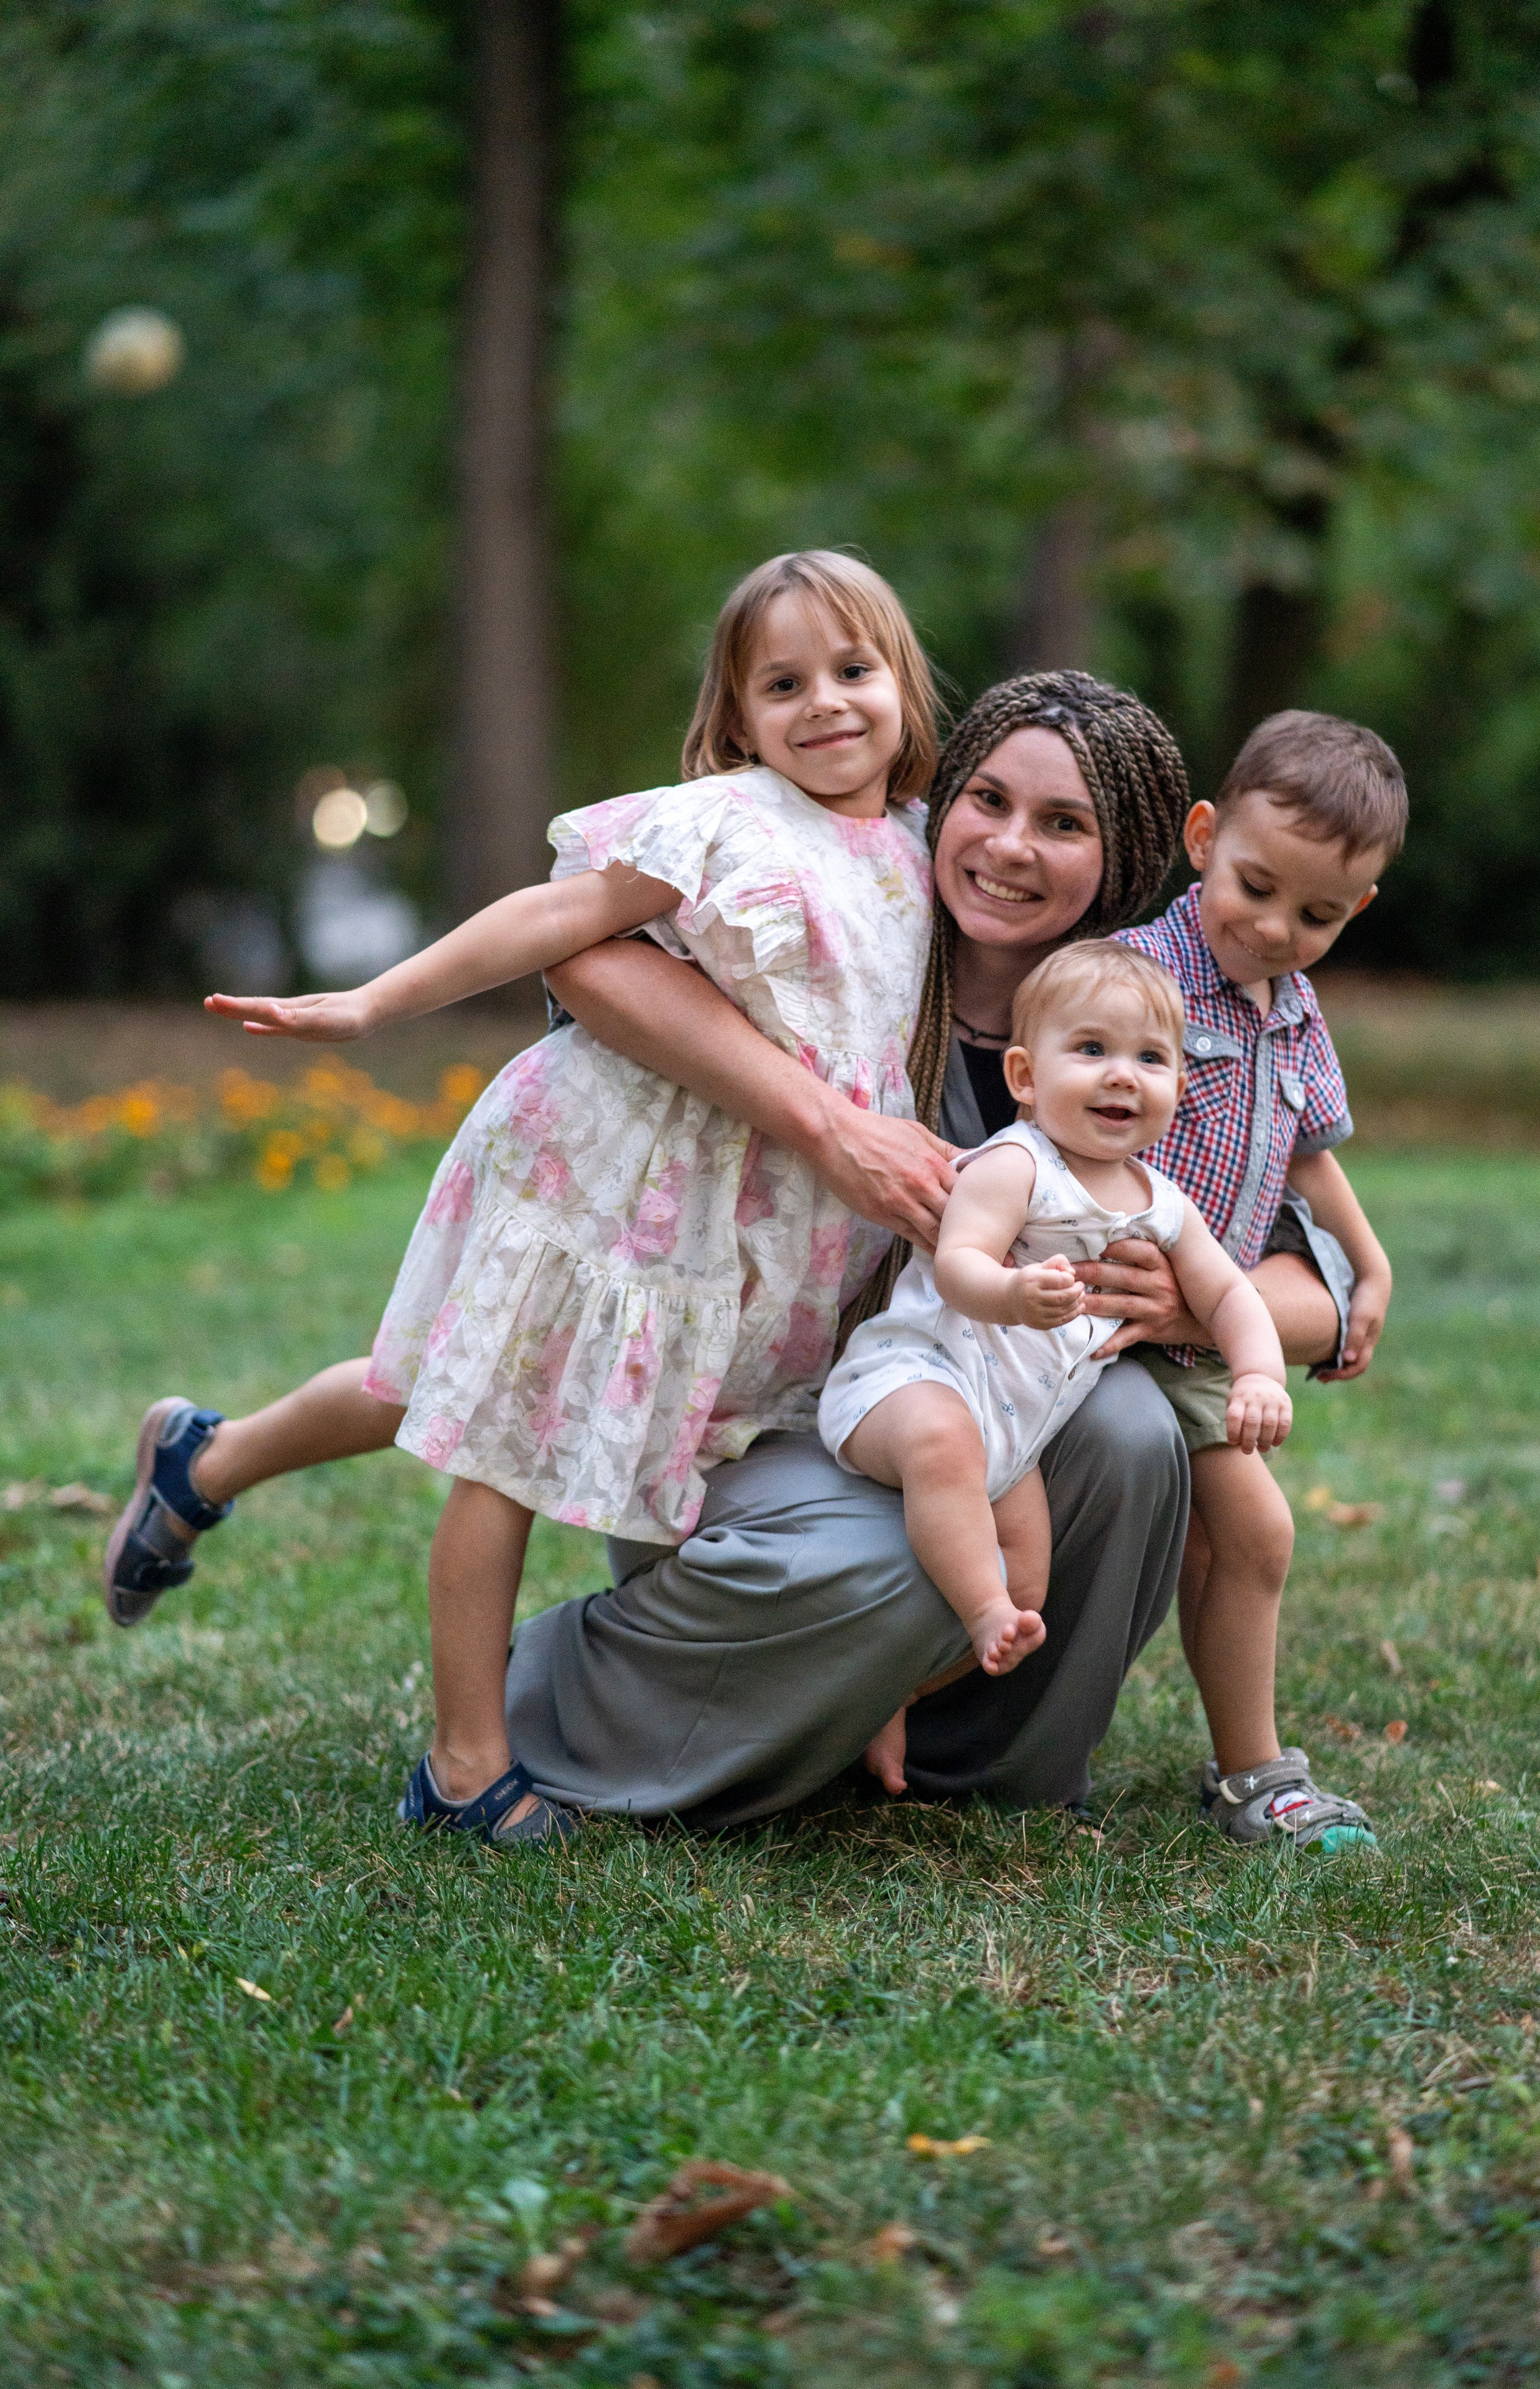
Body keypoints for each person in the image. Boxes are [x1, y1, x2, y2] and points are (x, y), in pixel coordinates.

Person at [108, 548, 947, 1843]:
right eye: (782, 683)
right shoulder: (724, 819)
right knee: (497, 1440)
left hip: (751, 1223)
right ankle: (463, 1766)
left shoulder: (914, 850)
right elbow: (549, 921)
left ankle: (200, 1459)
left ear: (903, 684)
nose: (824, 703)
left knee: (429, 1380)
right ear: (733, 719)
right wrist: (375, 1001)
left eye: (853, 669)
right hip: (612, 1172)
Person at [819, 940, 1295, 1755]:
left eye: (1150, 1058)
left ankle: (894, 1694)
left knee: (1028, 1587)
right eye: (1091, 1049)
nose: (1121, 1074)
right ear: (1025, 1079)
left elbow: (1228, 1296)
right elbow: (961, 1259)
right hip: (916, 1381)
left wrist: (1259, 1373)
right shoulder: (1016, 1164)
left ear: (1179, 1089)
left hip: (1017, 1433)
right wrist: (1011, 1292)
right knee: (944, 1450)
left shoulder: (1164, 1207)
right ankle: (974, 1617)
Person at [1108, 708, 1401, 1846]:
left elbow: (1312, 1148)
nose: (1277, 929)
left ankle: (1252, 1776)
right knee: (1244, 1532)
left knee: (1242, 1535)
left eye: (1319, 914)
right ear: (1202, 836)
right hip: (1118, 1308)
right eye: (1257, 886)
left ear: (1357, 908)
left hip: (1201, 1332)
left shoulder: (1296, 1007)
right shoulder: (1138, 974)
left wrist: (1367, 1269)